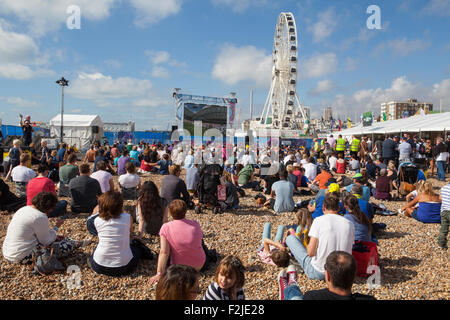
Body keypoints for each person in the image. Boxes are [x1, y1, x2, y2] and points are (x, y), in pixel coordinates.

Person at [2, 192, 90, 266]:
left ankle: (75, 242)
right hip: (21, 256)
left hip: (8, 251)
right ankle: (75, 243)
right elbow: (46, 241)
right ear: (49, 207)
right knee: (64, 246)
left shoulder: (23, 209)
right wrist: (56, 227)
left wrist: (53, 233)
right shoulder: (39, 216)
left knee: (56, 238)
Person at [286, 193, 355, 281]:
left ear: (323, 208)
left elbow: (310, 253)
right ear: (338, 208)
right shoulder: (349, 223)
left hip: (319, 272)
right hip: (343, 273)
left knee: (291, 239)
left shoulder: (318, 221)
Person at [88, 191, 147, 277]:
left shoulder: (97, 220)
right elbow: (129, 235)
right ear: (120, 205)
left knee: (97, 248)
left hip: (99, 265)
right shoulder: (127, 217)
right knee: (137, 250)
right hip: (124, 267)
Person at [149, 200, 207, 285]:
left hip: (179, 268)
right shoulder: (195, 224)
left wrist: (159, 273)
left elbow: (164, 252)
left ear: (170, 212)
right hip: (199, 264)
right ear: (185, 211)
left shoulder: (166, 227)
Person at [279, 251, 376, 300]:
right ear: (354, 276)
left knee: (295, 295)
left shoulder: (312, 297)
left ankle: (288, 288)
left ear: (328, 276)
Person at [438, 182, 450, 250]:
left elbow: (440, 199)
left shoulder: (443, 188)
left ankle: (441, 244)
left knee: (444, 229)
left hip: (444, 211)